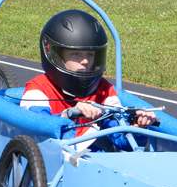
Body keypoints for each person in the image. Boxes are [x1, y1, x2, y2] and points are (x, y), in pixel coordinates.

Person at [20, 9, 155, 151]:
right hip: (54, 162)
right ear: (57, 56)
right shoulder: (38, 88)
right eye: (76, 54)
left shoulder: (104, 90)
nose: (85, 61)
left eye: (90, 54)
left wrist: (138, 127)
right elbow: (38, 130)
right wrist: (68, 115)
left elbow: (122, 141)